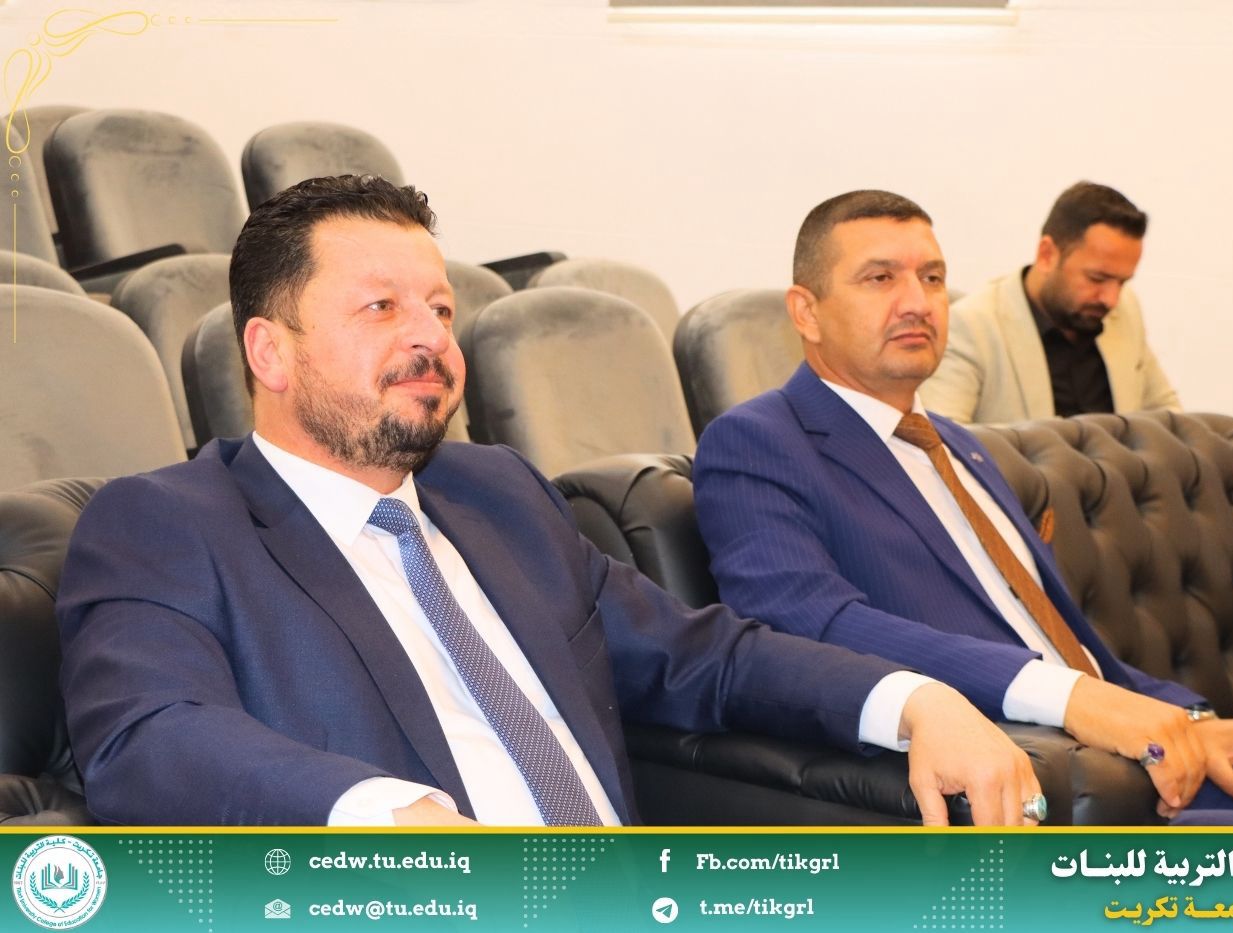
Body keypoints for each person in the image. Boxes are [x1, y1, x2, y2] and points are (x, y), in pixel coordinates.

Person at [55, 176, 1040, 828]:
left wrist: (916, 700)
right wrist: (379, 814)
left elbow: (702, 655)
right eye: (381, 307)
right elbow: (149, 735)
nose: (431, 338)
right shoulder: (170, 522)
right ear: (269, 351)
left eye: (441, 308)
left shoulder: (498, 493)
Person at [692, 189, 1233, 824]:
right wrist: (1072, 701)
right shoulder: (759, 441)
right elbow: (809, 621)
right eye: (881, 278)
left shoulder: (960, 446)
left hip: (1145, 763)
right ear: (806, 311)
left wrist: (1195, 723)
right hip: (1051, 783)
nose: (917, 301)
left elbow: (1064, 641)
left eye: (932, 277)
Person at [919, 181, 1181, 424]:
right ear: (1047, 255)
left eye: (1122, 282)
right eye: (1097, 278)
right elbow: (944, 444)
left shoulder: (1125, 309)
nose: (1111, 299)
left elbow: (1170, 420)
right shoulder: (970, 328)